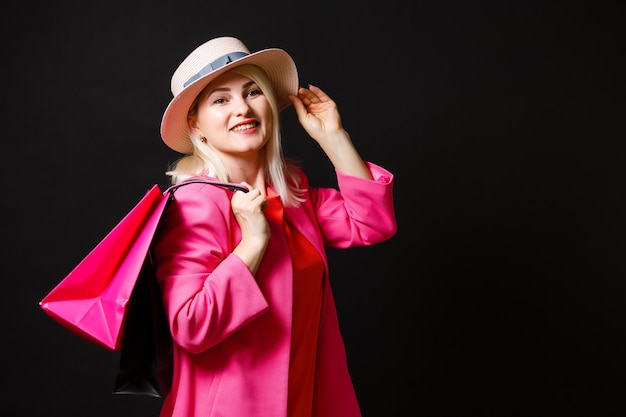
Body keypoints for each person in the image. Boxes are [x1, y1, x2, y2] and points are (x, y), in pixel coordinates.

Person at [153, 36, 397, 417]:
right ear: (195, 125)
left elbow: (371, 224)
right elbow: (190, 326)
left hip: (306, 398)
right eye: (221, 99)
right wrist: (252, 244)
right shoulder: (196, 203)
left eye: (253, 92)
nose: (243, 108)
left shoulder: (291, 189)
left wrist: (333, 137)